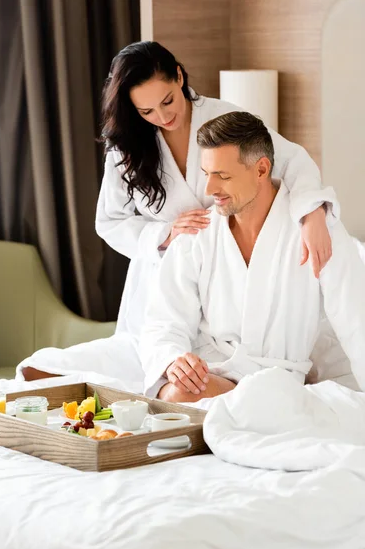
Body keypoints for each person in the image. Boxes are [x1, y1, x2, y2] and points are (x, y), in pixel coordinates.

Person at [18, 41, 338, 384]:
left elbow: (294, 161)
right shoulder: (128, 147)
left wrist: (313, 214)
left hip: (221, 286)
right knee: (111, 367)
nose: (162, 116)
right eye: (147, 112)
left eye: (167, 100)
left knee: (184, 378)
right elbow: (109, 222)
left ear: (180, 77)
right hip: (163, 281)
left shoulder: (224, 121)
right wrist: (165, 233)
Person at [140, 111, 365, 402]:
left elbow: (356, 320)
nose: (209, 190)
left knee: (178, 399)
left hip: (277, 381)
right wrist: (173, 361)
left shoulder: (317, 233)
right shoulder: (198, 236)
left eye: (223, 176)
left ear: (261, 170)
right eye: (206, 174)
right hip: (210, 370)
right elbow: (163, 320)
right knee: (175, 393)